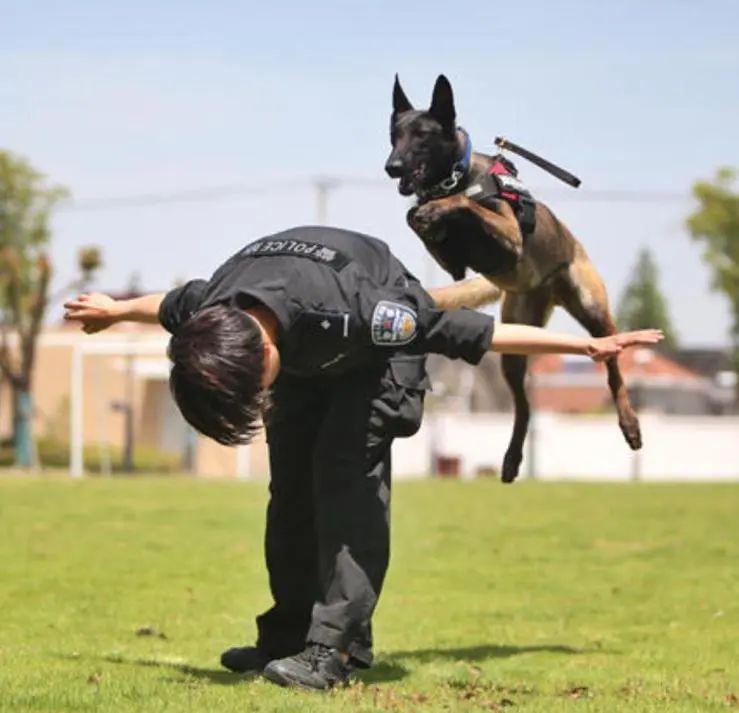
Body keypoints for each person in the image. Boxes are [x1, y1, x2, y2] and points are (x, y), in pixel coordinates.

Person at [64, 226, 662, 690]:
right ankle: (286, 640)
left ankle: (335, 650)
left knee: (344, 486)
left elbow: (468, 334)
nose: (257, 399)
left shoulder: (364, 313)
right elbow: (169, 301)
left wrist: (586, 344)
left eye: (254, 388)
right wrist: (114, 311)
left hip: (371, 359)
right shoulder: (215, 312)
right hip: (308, 355)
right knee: (291, 495)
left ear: (264, 351)